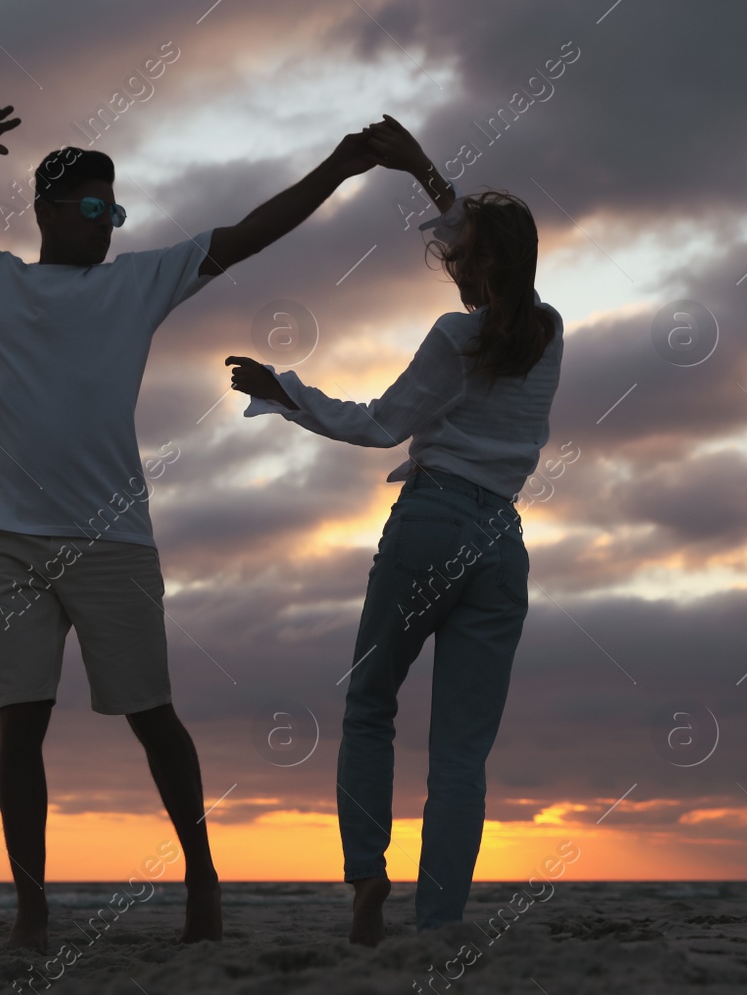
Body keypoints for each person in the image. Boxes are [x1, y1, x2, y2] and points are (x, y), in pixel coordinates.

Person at [0, 104, 380, 949]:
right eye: (88, 210)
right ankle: (32, 905)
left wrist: (339, 166)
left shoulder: (131, 284)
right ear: (42, 211)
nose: (105, 226)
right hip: (15, 541)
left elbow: (247, 232)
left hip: (114, 539)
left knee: (153, 714)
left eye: (114, 212)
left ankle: (201, 875)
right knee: (21, 722)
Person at [227, 115, 565, 945]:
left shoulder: (457, 336)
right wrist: (423, 173)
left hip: (430, 523)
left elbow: (380, 425)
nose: (449, 267)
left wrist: (286, 393)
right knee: (461, 753)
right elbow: (482, 243)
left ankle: (368, 876)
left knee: (371, 707)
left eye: (459, 259)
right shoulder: (549, 333)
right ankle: (441, 921)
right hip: (501, 548)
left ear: (476, 265)